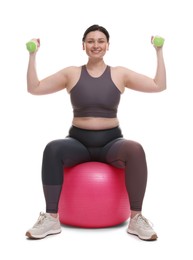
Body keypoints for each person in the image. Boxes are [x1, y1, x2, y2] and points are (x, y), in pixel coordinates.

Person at [25, 24, 166, 241]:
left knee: (135, 149)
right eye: (90, 41)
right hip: (78, 142)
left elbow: (159, 85)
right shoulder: (71, 73)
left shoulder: (120, 74)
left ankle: (136, 218)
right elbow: (34, 88)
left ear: (108, 45)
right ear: (83, 46)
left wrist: (159, 52)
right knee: (52, 148)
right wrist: (33, 55)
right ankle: (52, 218)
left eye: (101, 41)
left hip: (111, 143)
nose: (96, 45)